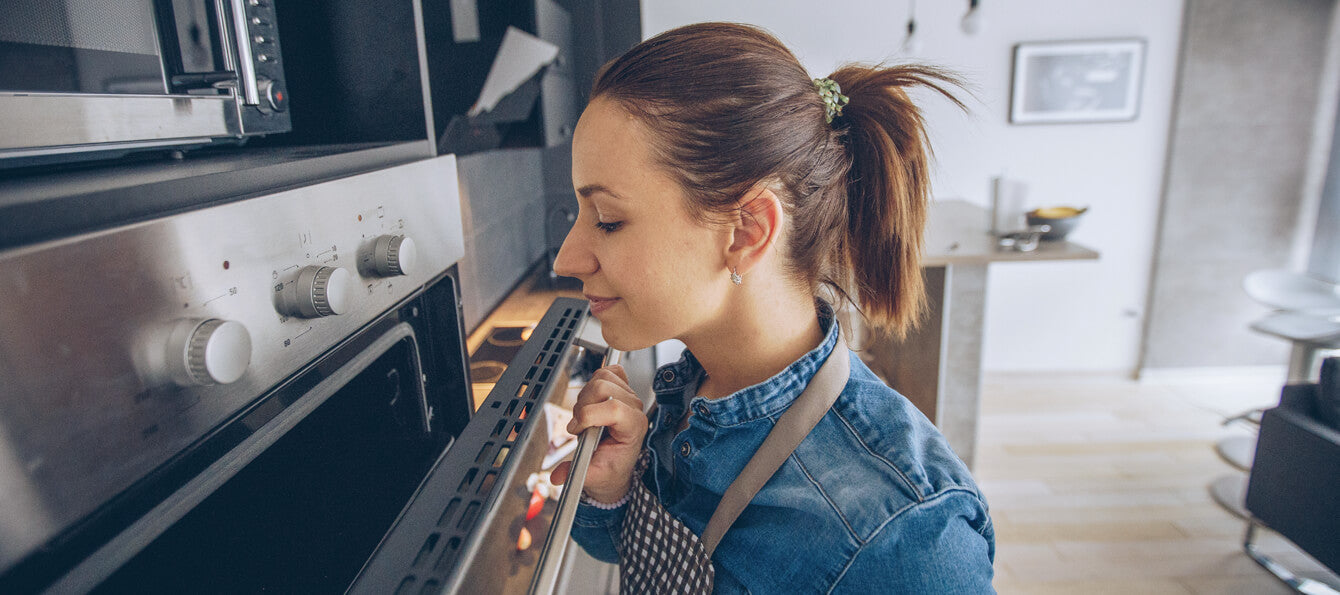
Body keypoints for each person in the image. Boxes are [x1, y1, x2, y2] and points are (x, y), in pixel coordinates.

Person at [548, 21, 995, 594]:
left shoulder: (901, 541)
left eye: (608, 220)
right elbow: (655, 562)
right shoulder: (696, 388)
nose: (566, 259)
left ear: (747, 231)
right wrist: (614, 492)